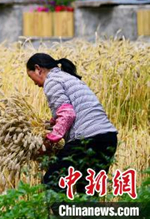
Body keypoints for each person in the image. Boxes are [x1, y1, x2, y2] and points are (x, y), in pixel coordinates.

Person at [26, 53, 118, 195]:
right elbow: (74, 109)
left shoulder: (52, 81)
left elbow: (68, 114)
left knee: (52, 182)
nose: (35, 83)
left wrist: (49, 142)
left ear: (38, 69)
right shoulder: (67, 77)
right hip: (107, 138)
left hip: (87, 139)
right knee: (88, 193)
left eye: (31, 78)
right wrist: (50, 123)